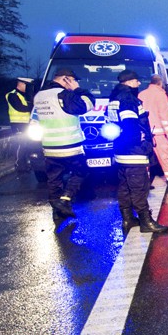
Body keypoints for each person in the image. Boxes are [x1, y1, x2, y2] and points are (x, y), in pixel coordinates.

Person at [107, 70, 168, 234]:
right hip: (133, 152)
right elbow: (130, 125)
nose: (139, 84)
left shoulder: (114, 97)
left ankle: (127, 219)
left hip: (121, 151)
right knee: (139, 187)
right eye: (136, 81)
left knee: (125, 187)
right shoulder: (128, 99)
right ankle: (146, 221)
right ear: (128, 82)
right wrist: (141, 143)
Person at [33, 68, 95, 221]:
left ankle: (57, 211)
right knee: (81, 172)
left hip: (49, 146)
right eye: (73, 80)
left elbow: (35, 119)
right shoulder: (64, 94)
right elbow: (86, 106)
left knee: (54, 179)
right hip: (69, 144)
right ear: (66, 79)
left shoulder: (39, 95)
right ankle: (65, 200)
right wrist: (78, 90)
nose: (75, 83)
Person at [138, 74, 168, 189]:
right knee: (164, 155)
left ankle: (145, 181)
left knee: (145, 157)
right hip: (158, 132)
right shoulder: (160, 95)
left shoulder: (141, 94)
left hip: (144, 132)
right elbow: (164, 116)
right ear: (160, 83)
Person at [6, 77, 34, 173]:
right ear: (21, 84)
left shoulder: (25, 96)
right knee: (20, 145)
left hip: (27, 124)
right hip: (17, 124)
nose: (28, 87)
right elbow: (20, 108)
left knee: (26, 145)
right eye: (27, 85)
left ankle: (25, 164)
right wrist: (32, 106)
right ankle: (19, 165)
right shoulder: (12, 95)